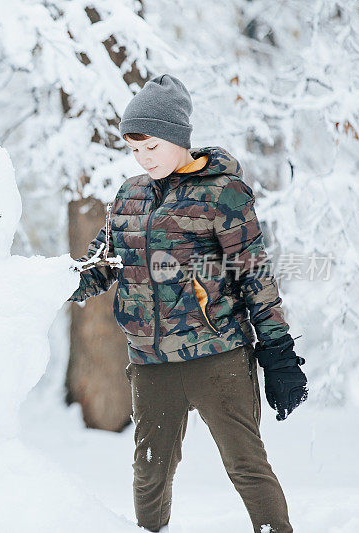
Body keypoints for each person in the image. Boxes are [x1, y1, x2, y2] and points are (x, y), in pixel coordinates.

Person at [71, 75, 306, 533]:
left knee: (246, 465)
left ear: (179, 138)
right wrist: (49, 283)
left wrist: (277, 352)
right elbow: (102, 264)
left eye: (152, 147)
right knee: (150, 472)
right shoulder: (129, 195)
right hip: (151, 361)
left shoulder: (222, 192)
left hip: (218, 357)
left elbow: (254, 273)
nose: (143, 158)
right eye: (135, 149)